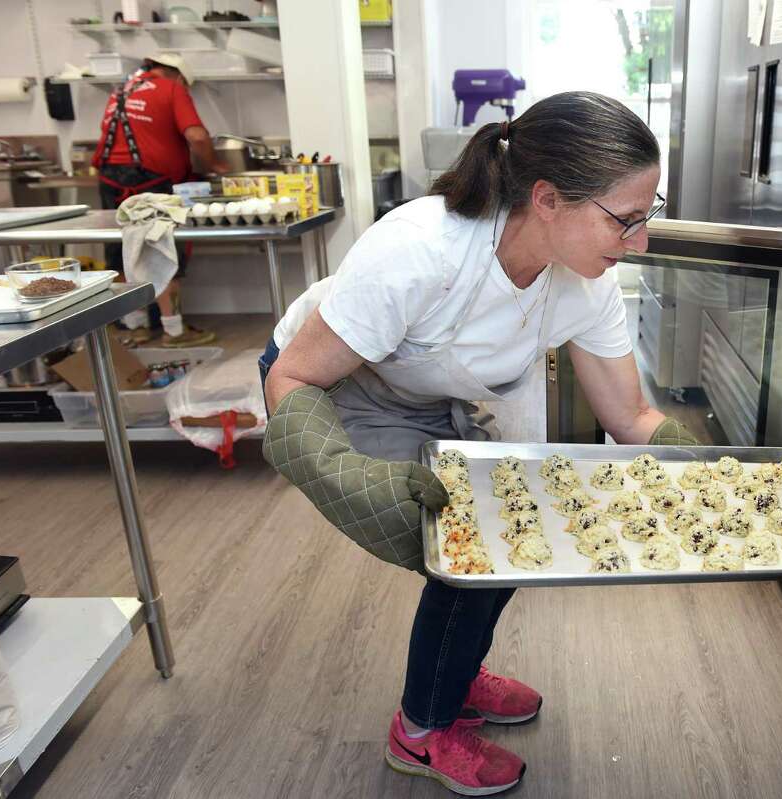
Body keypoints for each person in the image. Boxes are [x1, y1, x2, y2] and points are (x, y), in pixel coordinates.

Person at [259, 91, 697, 796]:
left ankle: (452, 672)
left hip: (435, 391)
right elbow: (292, 373)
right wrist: (337, 470)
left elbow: (629, 412)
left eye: (648, 214)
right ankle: (421, 731)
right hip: (331, 385)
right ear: (548, 199)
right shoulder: (421, 249)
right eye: (627, 219)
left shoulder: (587, 283)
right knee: (467, 553)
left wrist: (710, 468)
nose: (639, 240)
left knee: (508, 538)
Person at [93, 52, 228, 348]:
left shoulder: (121, 91)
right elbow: (197, 137)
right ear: (179, 77)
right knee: (163, 251)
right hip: (153, 184)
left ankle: (135, 327)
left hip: (111, 183)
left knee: (124, 252)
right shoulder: (172, 89)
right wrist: (214, 165)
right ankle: (175, 331)